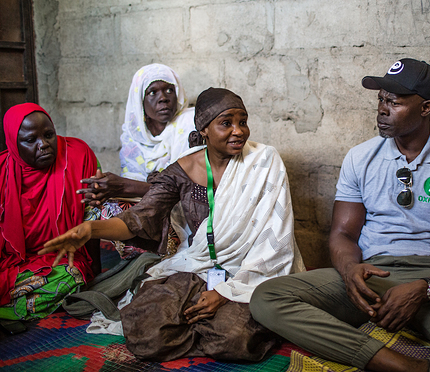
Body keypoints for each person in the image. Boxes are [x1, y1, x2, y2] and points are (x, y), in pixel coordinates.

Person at [250, 59, 430, 372]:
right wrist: (350, 271)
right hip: (374, 274)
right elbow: (343, 234)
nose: (382, 110)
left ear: (425, 108)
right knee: (268, 298)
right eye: (380, 100)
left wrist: (425, 289)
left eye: (394, 102)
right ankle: (406, 366)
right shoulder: (360, 158)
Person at [41, 88, 305, 362]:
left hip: (250, 272)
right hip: (198, 266)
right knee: (146, 333)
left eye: (243, 122)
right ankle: (205, 328)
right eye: (226, 123)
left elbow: (274, 242)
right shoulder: (181, 170)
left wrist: (226, 294)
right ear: (203, 129)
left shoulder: (264, 162)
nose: (238, 131)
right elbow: (137, 219)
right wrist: (91, 230)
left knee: (232, 340)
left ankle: (214, 326)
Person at [79, 63, 195, 257]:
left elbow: (187, 190)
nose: (163, 99)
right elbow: (135, 187)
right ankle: (93, 269)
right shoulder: (133, 136)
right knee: (99, 207)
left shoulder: (190, 125)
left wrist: (124, 186)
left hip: (185, 210)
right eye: (152, 93)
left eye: (169, 90)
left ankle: (162, 253)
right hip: (151, 203)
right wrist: (106, 191)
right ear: (139, 100)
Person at [0, 103, 98, 320]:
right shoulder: (2, 174)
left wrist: (95, 272)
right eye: (30, 140)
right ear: (13, 144)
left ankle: (9, 312)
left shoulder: (77, 155)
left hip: (61, 258)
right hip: (15, 262)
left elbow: (93, 214)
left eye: (48, 135)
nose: (43, 145)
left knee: (71, 277)